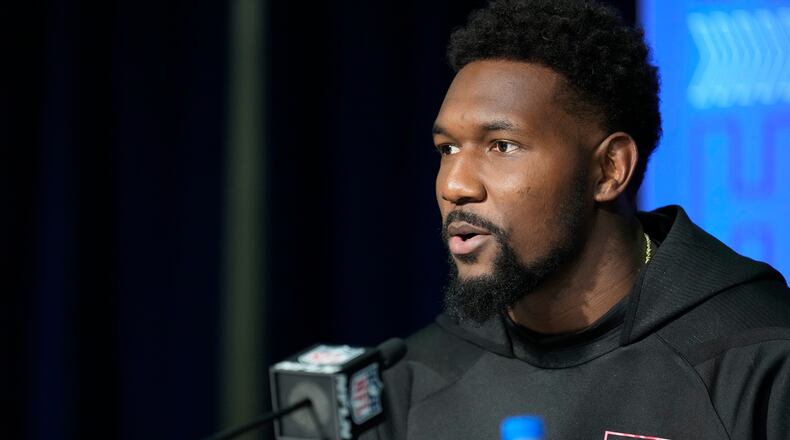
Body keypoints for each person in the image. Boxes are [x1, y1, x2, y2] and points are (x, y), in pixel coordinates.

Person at [363, 1, 790, 439]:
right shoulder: (409, 380)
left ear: (609, 170)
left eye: (502, 145)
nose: (454, 185)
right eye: (447, 149)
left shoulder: (760, 360)